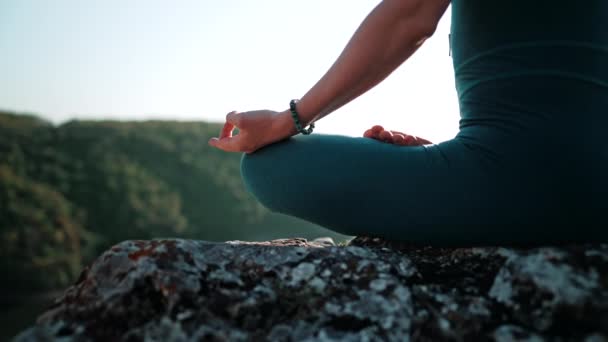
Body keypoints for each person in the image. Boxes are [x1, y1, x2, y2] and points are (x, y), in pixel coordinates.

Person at [208, 0, 608, 246]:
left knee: (269, 167)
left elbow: (410, 18)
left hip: (518, 183)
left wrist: (287, 120)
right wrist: (440, 157)